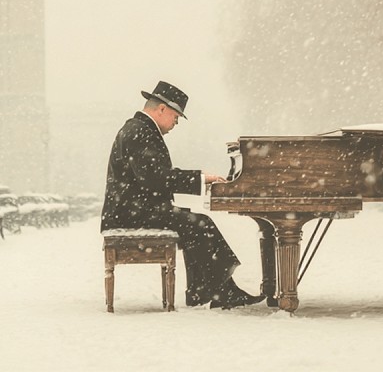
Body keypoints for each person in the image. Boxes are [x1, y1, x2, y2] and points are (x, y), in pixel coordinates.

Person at [101, 80, 264, 309]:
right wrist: (200, 178)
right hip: (130, 214)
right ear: (162, 109)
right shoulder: (140, 131)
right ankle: (216, 293)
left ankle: (212, 292)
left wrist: (197, 178)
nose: (176, 122)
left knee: (195, 223)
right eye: (176, 116)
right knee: (199, 224)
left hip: (132, 210)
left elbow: (155, 176)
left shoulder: (139, 129)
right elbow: (156, 179)